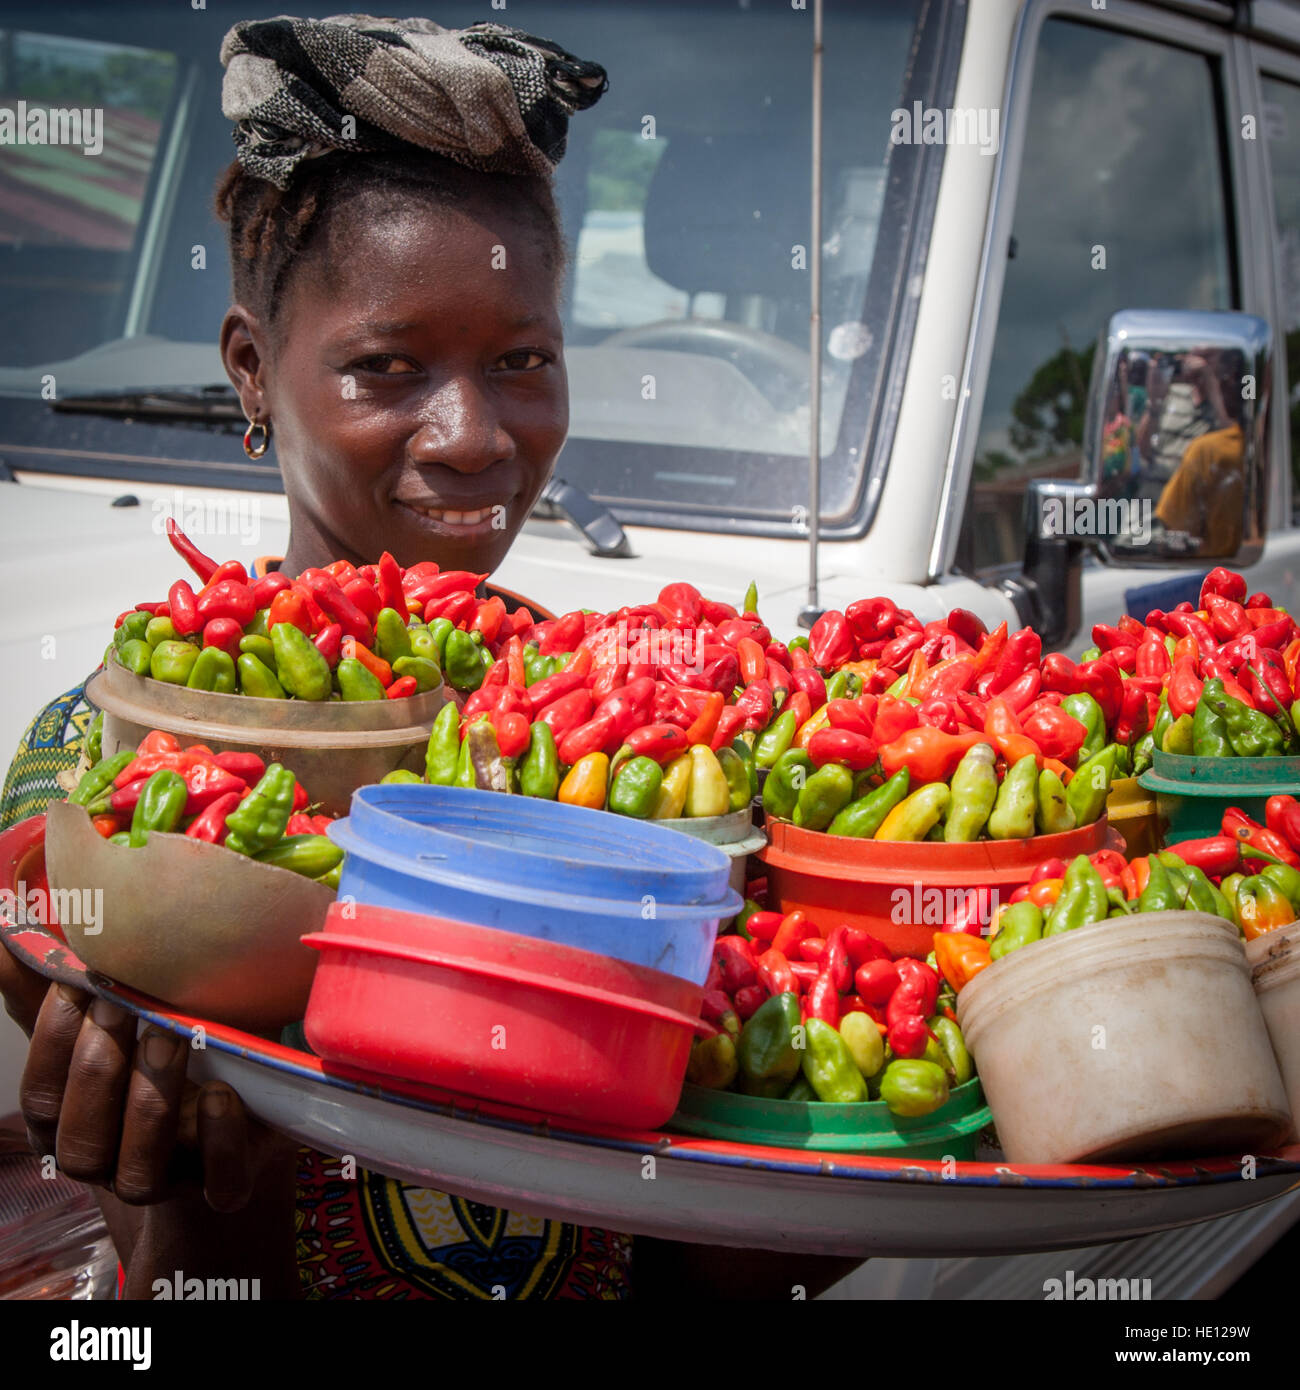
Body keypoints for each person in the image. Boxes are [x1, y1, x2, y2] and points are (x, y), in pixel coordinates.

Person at [0, 14, 861, 1301]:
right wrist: (186, 1193)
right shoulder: (106, 768)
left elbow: (753, 1231)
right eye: (386, 368)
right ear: (251, 371)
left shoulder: (639, 731)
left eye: (522, 360)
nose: (470, 435)